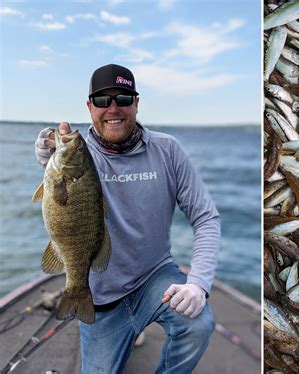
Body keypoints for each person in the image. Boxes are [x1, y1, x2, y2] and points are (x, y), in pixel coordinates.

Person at [34, 64, 221, 373]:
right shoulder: (83, 152)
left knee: (198, 324)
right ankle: (125, 328)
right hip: (99, 293)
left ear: (136, 102)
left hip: (154, 278)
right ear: (89, 106)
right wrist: (46, 149)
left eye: (122, 98)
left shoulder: (168, 150)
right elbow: (54, 168)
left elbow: (206, 218)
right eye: (102, 100)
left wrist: (198, 284)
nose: (113, 108)